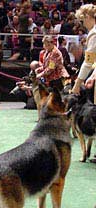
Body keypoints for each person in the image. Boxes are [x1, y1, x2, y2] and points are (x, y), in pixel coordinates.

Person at [72, 4, 96, 164]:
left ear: (88, 17)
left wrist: (78, 82)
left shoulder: (93, 34)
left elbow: (89, 62)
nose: (82, 24)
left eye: (82, 20)